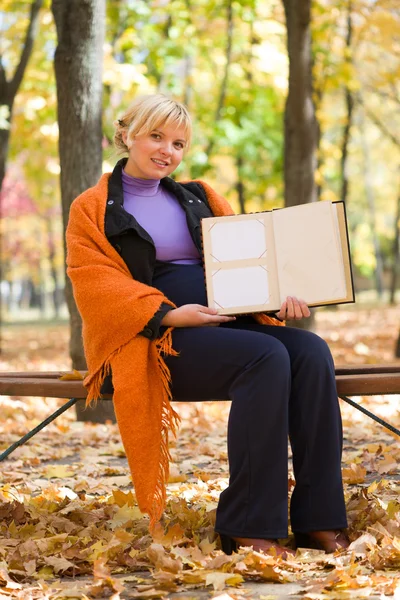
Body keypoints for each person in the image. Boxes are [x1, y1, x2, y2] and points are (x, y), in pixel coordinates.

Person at [66, 93, 349, 557]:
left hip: (221, 325)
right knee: (265, 356)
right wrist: (169, 314)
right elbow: (94, 284)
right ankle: (248, 522)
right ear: (126, 136)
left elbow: (248, 262)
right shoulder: (94, 207)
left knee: (310, 351)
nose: (167, 151)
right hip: (154, 341)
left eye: (178, 143)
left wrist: (279, 298)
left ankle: (319, 515)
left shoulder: (200, 196)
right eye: (155, 137)